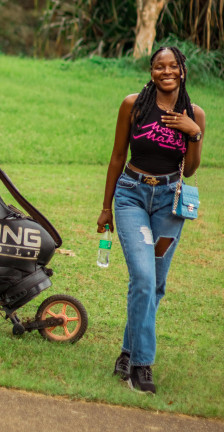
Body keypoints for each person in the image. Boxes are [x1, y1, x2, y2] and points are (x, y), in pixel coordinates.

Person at [97, 46, 205, 394]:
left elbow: (188, 169)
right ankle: (142, 365)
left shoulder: (195, 114)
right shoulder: (134, 105)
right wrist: (105, 207)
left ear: (182, 71)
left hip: (169, 205)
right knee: (143, 276)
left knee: (154, 283)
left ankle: (126, 354)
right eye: (160, 66)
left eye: (173, 66)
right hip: (131, 196)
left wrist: (194, 133)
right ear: (151, 71)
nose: (167, 71)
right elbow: (116, 156)